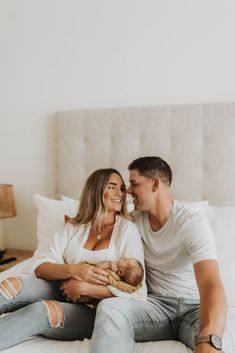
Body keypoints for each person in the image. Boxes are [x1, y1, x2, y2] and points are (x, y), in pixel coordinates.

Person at [89, 157, 227, 353]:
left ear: (154, 184)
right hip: (153, 307)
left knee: (214, 343)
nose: (128, 191)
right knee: (109, 308)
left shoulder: (191, 222)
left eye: (134, 183)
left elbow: (211, 284)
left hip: (192, 308)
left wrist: (209, 339)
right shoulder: (133, 223)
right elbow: (96, 227)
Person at [0, 168, 147, 350]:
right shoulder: (75, 227)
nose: (120, 194)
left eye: (122, 188)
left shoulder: (127, 230)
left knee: (41, 311)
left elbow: (137, 292)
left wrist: (84, 288)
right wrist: (75, 270)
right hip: (63, 287)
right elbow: (39, 265)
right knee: (11, 286)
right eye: (112, 187)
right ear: (96, 190)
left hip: (97, 310)